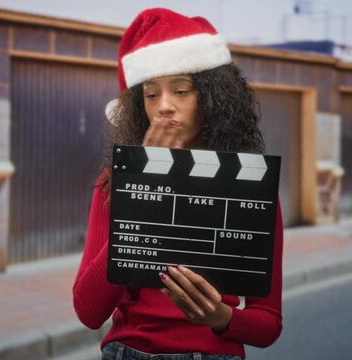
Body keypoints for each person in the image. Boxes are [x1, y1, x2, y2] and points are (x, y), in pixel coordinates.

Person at [73, 8, 283, 360]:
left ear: (213, 99)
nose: (164, 107)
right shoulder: (114, 182)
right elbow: (88, 311)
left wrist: (222, 318)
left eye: (181, 90)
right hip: (129, 351)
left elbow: (269, 323)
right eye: (151, 94)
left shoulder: (251, 187)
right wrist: (141, 192)